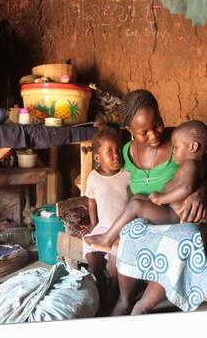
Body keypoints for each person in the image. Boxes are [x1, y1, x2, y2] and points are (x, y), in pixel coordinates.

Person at [100, 89, 207, 316]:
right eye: (143, 132)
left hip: (180, 219)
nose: (154, 135)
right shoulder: (125, 152)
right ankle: (124, 300)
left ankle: (142, 306)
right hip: (149, 220)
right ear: (129, 131)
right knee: (132, 230)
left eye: (158, 125)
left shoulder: (180, 141)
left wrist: (201, 192)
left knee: (183, 238)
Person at [84, 120, 207, 249]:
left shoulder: (190, 164)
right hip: (168, 208)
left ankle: (107, 239)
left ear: (193, 147)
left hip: (175, 214)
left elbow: (186, 188)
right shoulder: (191, 164)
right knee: (137, 197)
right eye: (144, 131)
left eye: (177, 147)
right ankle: (118, 234)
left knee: (136, 205)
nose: (173, 151)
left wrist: (162, 198)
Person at [82, 126, 130, 312]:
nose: (116, 155)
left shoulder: (127, 175)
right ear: (97, 158)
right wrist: (94, 225)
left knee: (114, 256)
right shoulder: (93, 177)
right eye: (109, 152)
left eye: (117, 150)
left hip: (123, 228)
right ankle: (100, 282)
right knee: (89, 247)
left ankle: (112, 291)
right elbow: (91, 201)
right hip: (103, 225)